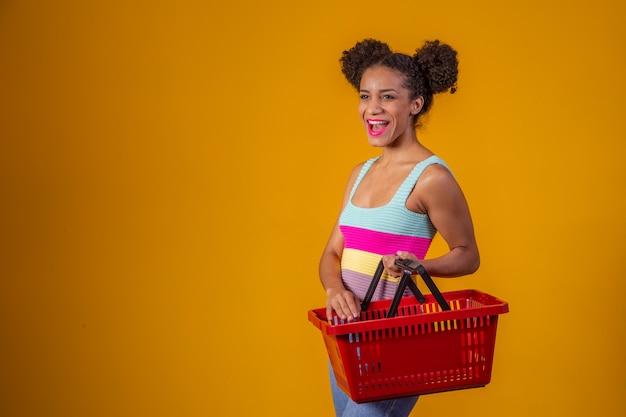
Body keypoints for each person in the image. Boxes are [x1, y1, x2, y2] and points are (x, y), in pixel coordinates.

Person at [318, 38, 480, 417]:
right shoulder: (359, 174)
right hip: (345, 334)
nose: (371, 108)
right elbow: (331, 253)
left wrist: (421, 266)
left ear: (414, 105)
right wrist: (333, 289)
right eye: (365, 96)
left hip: (395, 339)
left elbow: (468, 255)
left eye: (387, 97)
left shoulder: (431, 178)